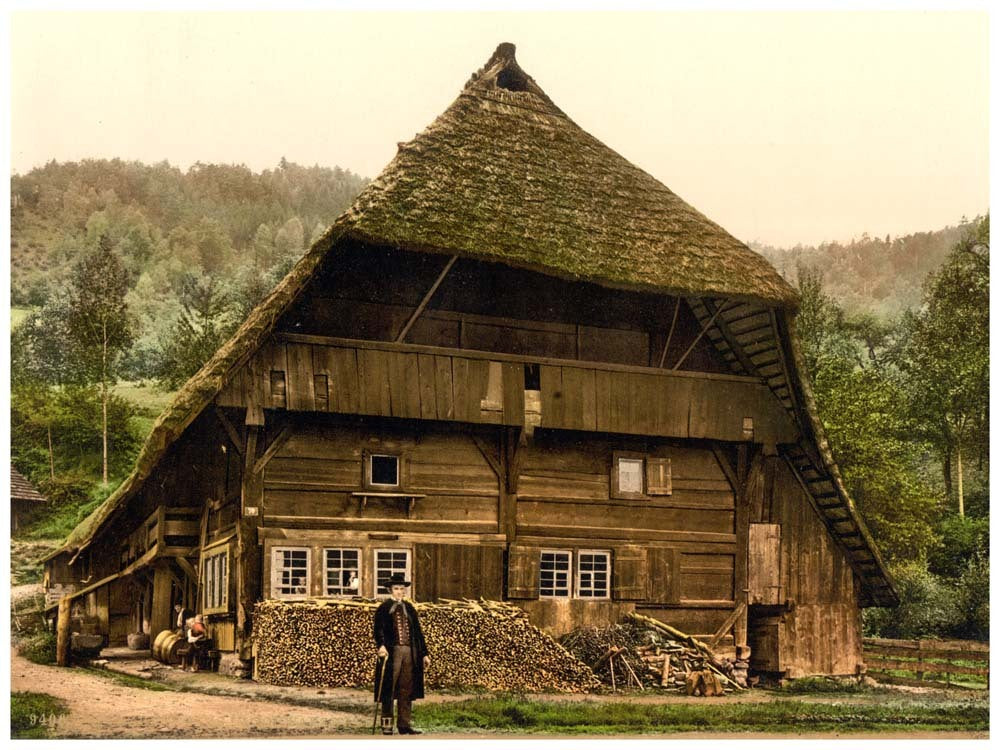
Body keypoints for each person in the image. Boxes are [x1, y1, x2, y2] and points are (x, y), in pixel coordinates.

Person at [373, 573, 430, 735]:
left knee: (407, 688)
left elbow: (418, 633)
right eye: (396, 589)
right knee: (388, 687)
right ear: (390, 590)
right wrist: (381, 645)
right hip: (392, 652)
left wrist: (424, 654)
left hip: (410, 652)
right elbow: (378, 630)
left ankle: (404, 725)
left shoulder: (410, 609)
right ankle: (387, 725)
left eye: (402, 589)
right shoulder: (383, 609)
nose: (399, 592)